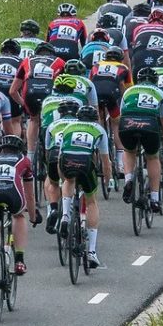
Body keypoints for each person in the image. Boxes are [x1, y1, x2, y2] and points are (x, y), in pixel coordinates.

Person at [45, 103, 111, 269]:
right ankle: (92, 252)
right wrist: (108, 180)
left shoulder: (68, 126)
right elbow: (105, 161)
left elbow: (60, 156)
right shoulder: (98, 129)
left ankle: (65, 215)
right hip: (86, 163)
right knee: (91, 202)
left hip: (67, 161)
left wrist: (63, 178)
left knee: (69, 181)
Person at [119, 67, 163, 212]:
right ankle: (155, 198)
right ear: (156, 81)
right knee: (152, 157)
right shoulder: (160, 93)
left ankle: (129, 179)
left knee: (129, 151)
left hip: (127, 123)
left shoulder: (129, 91)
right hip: (149, 124)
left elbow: (121, 114)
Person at [0, 133, 35, 276]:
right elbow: (30, 195)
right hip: (12, 194)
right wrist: (33, 216)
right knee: (19, 216)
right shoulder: (24, 160)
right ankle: (19, 260)